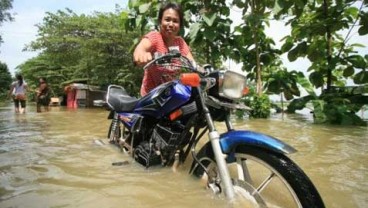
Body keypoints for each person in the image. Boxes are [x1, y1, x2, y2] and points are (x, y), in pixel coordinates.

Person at [133, 2, 196, 96]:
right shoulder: (154, 38)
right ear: (160, 21)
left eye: (175, 21)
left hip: (173, 97)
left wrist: (204, 71)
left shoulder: (180, 43)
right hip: (152, 98)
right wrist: (141, 55)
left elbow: (192, 65)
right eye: (167, 19)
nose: (171, 24)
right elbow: (139, 50)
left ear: (180, 25)